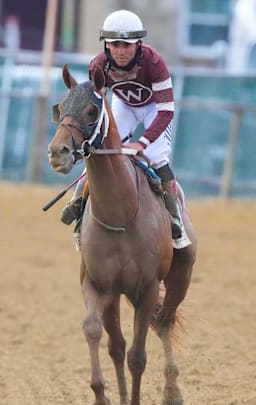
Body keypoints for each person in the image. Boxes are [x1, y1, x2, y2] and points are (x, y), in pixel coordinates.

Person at [60, 9, 191, 249]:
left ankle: (175, 220)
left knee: (155, 157)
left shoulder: (154, 62)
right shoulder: (98, 64)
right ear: (106, 44)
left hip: (155, 108)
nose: (120, 51)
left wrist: (142, 142)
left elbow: (166, 111)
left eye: (126, 45)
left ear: (138, 44)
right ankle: (78, 203)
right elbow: (96, 104)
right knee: (97, 152)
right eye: (114, 45)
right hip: (124, 105)